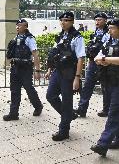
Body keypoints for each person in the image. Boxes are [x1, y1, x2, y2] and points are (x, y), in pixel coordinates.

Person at [90, 19, 119, 156]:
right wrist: (105, 60)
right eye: (109, 28)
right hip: (108, 80)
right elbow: (97, 58)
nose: (109, 30)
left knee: (114, 111)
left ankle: (102, 144)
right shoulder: (107, 42)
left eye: (112, 28)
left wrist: (106, 60)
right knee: (117, 111)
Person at [45, 12, 86, 141]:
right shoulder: (60, 36)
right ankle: (69, 115)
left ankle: (64, 131)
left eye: (67, 20)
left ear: (72, 22)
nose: (64, 22)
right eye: (62, 20)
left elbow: (80, 58)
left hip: (69, 73)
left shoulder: (77, 37)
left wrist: (77, 77)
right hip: (57, 71)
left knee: (67, 101)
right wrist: (49, 69)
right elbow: (54, 54)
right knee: (50, 96)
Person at [3, 19, 43, 121]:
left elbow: (35, 55)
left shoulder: (30, 39)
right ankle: (13, 113)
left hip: (26, 68)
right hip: (15, 67)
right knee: (14, 90)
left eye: (20, 25)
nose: (17, 27)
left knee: (29, 89)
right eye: (17, 25)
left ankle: (38, 106)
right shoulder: (16, 37)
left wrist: (37, 71)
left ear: (25, 27)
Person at [74, 12, 110, 117]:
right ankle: (82, 109)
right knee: (87, 87)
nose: (97, 22)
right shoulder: (95, 33)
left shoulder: (109, 33)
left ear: (105, 21)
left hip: (104, 64)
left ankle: (106, 109)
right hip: (92, 63)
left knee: (105, 87)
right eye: (96, 20)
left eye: (100, 20)